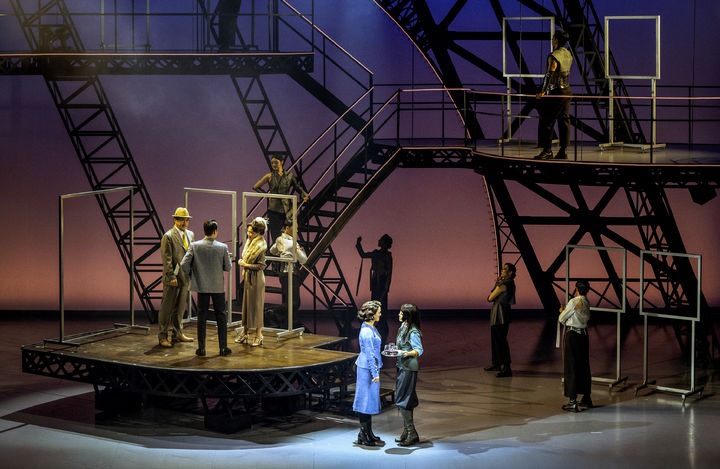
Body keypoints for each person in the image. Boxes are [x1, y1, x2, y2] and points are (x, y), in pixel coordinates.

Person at [180, 219, 233, 357]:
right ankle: (223, 348)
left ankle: (202, 349)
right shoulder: (222, 247)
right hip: (217, 287)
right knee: (221, 316)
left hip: (201, 286)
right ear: (215, 231)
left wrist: (193, 274)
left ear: (204, 231)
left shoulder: (195, 246)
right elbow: (228, 267)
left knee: (202, 316)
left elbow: (184, 264)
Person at [157, 207, 195, 348]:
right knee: (167, 308)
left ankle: (177, 333)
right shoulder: (168, 236)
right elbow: (167, 259)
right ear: (175, 220)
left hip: (185, 277)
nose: (185, 223)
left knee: (180, 308)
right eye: (182, 220)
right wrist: (171, 276)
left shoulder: (190, 234)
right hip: (173, 278)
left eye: (187, 220)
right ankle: (162, 336)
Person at [535, 29, 573, 160]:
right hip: (567, 91)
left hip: (556, 91)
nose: (552, 40)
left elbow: (549, 75)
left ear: (556, 40)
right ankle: (563, 151)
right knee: (564, 120)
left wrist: (542, 91)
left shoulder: (554, 55)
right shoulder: (568, 53)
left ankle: (547, 151)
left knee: (546, 120)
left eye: (553, 38)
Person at [253, 156, 309, 242]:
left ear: (282, 162)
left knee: (289, 235)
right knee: (276, 237)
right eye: (272, 163)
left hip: (287, 210)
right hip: (274, 210)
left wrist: (303, 194)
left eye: (276, 162)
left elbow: (297, 187)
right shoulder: (269, 176)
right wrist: (267, 195)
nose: (274, 165)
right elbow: (256, 187)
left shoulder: (289, 175)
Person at [353, 300, 384, 447]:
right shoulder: (366, 331)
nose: (380, 314)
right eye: (378, 312)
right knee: (365, 401)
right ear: (372, 314)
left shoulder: (370, 327)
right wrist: (375, 372)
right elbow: (370, 354)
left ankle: (367, 432)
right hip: (367, 369)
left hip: (370, 368)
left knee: (369, 401)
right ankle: (364, 434)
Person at [559, 280, 593, 412]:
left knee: (571, 366)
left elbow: (562, 318)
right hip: (584, 335)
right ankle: (586, 397)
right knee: (584, 365)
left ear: (576, 289)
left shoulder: (574, 301)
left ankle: (573, 401)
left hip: (573, 335)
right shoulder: (586, 302)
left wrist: (562, 311)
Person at [394, 303, 423, 446]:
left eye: (401, 313)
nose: (399, 314)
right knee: (405, 398)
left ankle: (412, 432)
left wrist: (408, 353)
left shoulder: (413, 331)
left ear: (407, 315)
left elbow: (419, 349)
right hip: (402, 365)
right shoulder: (404, 326)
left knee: (403, 398)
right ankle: (407, 432)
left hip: (409, 368)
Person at [355, 234, 393, 346]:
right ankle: (376, 324)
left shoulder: (387, 255)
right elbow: (363, 255)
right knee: (374, 304)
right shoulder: (376, 253)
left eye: (381, 240)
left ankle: (382, 325)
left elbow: (389, 272)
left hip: (382, 282)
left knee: (382, 304)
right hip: (376, 281)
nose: (379, 241)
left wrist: (386, 287)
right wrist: (358, 244)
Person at [268, 219, 308, 320]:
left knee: (291, 301)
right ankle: (271, 312)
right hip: (291, 273)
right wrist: (298, 250)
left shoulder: (279, 239)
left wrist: (282, 252)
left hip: (284, 273)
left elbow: (272, 250)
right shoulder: (292, 242)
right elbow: (304, 259)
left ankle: (281, 319)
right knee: (294, 302)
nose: (297, 230)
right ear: (287, 228)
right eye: (295, 228)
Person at [237, 217, 267, 347]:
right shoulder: (250, 243)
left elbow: (261, 266)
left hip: (257, 279)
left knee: (257, 307)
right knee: (246, 306)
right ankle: (244, 332)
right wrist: (244, 263)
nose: (249, 234)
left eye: (252, 232)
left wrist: (246, 265)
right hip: (248, 277)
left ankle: (258, 335)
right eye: (248, 232)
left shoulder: (261, 246)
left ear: (259, 233)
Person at [486, 263, 516, 377]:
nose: (502, 270)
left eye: (505, 269)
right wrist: (497, 283)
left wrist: (497, 284)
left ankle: (506, 368)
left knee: (500, 341)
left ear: (510, 273)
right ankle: (497, 364)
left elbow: (490, 298)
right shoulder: (509, 283)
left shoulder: (505, 284)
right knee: (497, 340)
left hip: (500, 314)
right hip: (502, 313)